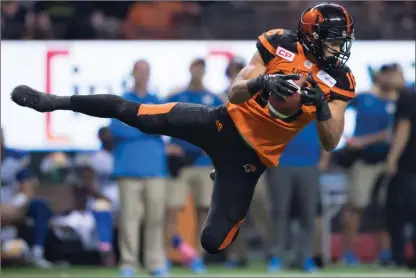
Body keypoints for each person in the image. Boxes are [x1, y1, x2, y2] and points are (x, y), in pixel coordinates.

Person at [11, 2, 356, 255]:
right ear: (311, 35)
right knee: (135, 113)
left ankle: (223, 181)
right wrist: (264, 82)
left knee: (213, 242)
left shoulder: (340, 80)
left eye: (343, 39)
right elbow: (235, 91)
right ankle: (54, 100)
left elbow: (331, 141)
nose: (339, 47)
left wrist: (322, 107)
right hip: (220, 122)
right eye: (333, 39)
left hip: (251, 158)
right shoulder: (278, 43)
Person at [338, 64, 404, 265]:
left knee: (390, 207)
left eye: (396, 75)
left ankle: (384, 253)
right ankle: (347, 253)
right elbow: (336, 111)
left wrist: (366, 140)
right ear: (381, 76)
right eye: (390, 75)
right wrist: (344, 137)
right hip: (364, 161)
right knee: (356, 205)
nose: (393, 79)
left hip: (390, 161)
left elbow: (394, 133)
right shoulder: (364, 97)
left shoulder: (402, 101)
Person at [109, 60, 168, 277]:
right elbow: (116, 128)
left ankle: (155, 262)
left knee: (156, 218)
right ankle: (128, 263)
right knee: (129, 219)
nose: (142, 75)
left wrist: (135, 125)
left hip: (155, 169)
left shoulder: (157, 101)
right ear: (133, 73)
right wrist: (146, 127)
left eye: (146, 72)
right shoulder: (122, 101)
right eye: (139, 71)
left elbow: (163, 125)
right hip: (128, 170)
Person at [165, 58, 223, 273]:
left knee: (205, 211)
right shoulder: (176, 97)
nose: (198, 72)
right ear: (190, 69)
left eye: (201, 69)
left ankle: (197, 257)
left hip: (204, 163)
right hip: (180, 165)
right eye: (195, 68)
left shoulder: (214, 99)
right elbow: (160, 122)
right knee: (172, 208)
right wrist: (168, 147)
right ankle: (171, 249)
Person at [267, 121, 326, 272]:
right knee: (279, 212)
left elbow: (327, 132)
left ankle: (306, 257)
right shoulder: (277, 103)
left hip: (309, 164)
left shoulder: (315, 105)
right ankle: (277, 257)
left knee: (308, 212)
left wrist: (324, 160)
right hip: (281, 164)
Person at [0, 127, 53, 268]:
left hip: (12, 206)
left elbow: (27, 189)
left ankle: (37, 253)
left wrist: (16, 207)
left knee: (40, 205)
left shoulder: (15, 157)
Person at [385, 89, 416, 267]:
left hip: (408, 166)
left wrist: (392, 158)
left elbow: (404, 129)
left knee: (399, 215)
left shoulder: (408, 97)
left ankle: (399, 258)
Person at [83, 127, 119, 266]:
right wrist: (105, 198)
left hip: (123, 199)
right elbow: (88, 186)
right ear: (100, 138)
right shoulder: (96, 158)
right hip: (102, 198)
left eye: (110, 135)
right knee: (102, 208)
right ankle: (106, 251)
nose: (108, 138)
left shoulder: (121, 154)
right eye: (105, 136)